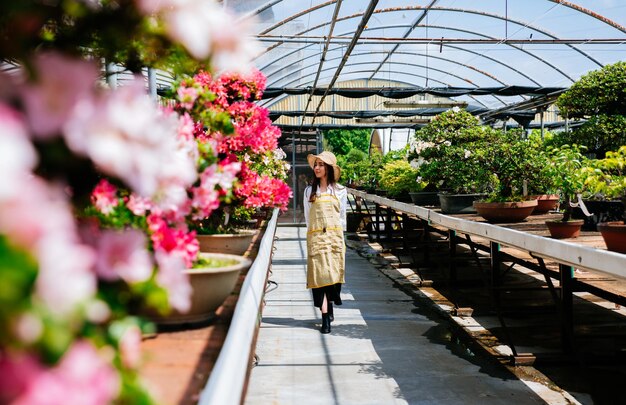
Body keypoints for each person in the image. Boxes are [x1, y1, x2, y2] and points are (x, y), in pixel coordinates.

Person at [303, 151, 347, 334]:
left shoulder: (340, 191)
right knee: (320, 277)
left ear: (328, 168)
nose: (317, 168)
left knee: (333, 276)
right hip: (316, 238)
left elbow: (342, 217)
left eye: (321, 164)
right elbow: (308, 218)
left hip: (334, 238)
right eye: (316, 164)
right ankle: (325, 317)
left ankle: (331, 305)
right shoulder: (308, 191)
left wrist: (340, 238)